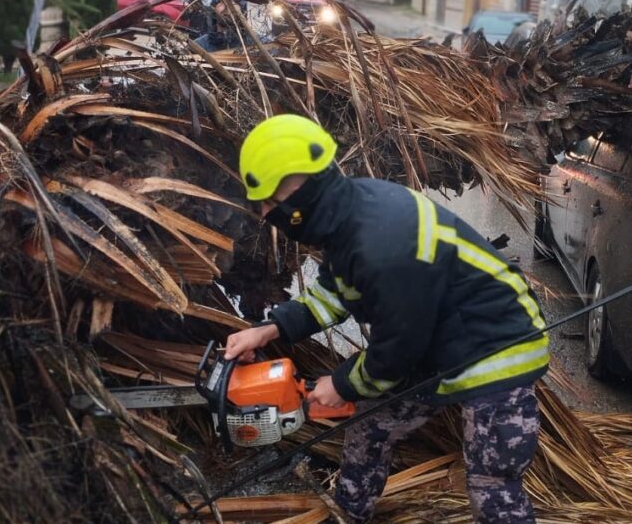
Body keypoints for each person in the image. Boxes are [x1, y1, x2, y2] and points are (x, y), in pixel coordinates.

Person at [225, 115, 549, 523]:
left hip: (496, 349)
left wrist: (341, 386)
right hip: (435, 344)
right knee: (371, 426)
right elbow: (332, 293)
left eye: (271, 204)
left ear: (299, 192)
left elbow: (396, 348)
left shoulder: (381, 244)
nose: (266, 214)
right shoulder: (349, 214)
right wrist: (269, 329)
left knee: (492, 483)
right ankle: (347, 514)